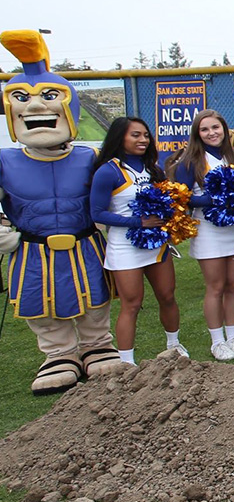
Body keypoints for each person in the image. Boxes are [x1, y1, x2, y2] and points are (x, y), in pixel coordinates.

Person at [0, 29, 123, 393]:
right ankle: (58, 353)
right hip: (33, 248)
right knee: (42, 301)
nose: (37, 107)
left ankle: (97, 345)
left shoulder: (87, 157)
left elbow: (111, 192)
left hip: (83, 242)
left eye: (50, 97)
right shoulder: (5, 161)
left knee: (94, 295)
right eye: (23, 98)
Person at [90, 117, 185, 365]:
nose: (143, 140)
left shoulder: (153, 168)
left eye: (145, 135)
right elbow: (97, 213)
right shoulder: (107, 171)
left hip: (156, 244)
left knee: (167, 296)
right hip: (124, 246)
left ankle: (174, 346)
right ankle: (126, 362)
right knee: (132, 303)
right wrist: (138, 223)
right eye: (135, 135)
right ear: (119, 137)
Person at [171, 109, 234, 361]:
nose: (211, 133)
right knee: (215, 286)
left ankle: (233, 336)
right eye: (204, 129)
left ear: (224, 130)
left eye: (215, 128)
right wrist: (211, 199)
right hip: (207, 229)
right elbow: (180, 199)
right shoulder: (189, 162)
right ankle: (217, 342)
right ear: (197, 133)